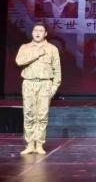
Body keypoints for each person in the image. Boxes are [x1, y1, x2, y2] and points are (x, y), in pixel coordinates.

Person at [15, 22, 61, 155]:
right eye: (35, 30)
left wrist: (54, 88)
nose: (37, 33)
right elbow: (19, 61)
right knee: (28, 114)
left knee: (42, 115)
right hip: (29, 83)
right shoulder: (25, 47)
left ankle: (39, 144)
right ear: (32, 32)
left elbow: (57, 71)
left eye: (41, 30)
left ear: (45, 33)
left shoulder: (52, 49)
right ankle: (30, 144)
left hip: (45, 84)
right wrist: (36, 54)